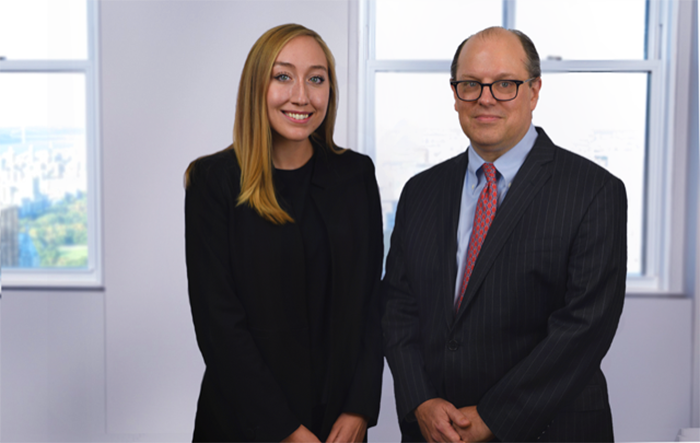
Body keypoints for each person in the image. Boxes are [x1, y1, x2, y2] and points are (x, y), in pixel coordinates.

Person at [382, 26, 627, 443]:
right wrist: (419, 400)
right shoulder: (420, 191)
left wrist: (496, 416)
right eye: (470, 85)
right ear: (454, 93)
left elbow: (584, 327)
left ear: (534, 91)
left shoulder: (594, 191)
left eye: (505, 84)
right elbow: (397, 307)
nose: (485, 98)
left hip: (550, 428)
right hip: (436, 430)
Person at [184, 24, 383, 443]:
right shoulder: (212, 181)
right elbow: (218, 324)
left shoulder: (356, 174)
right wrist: (286, 430)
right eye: (283, 76)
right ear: (257, 86)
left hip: (338, 424)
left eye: (316, 78)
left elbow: (371, 301)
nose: (302, 96)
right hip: (246, 422)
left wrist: (359, 406)